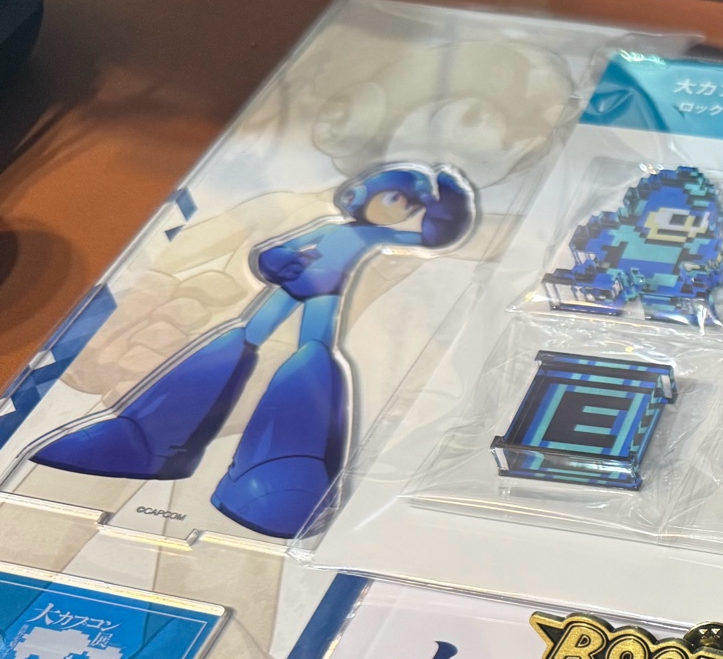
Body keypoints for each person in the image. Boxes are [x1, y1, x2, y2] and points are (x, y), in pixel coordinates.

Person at [32, 164, 474, 538]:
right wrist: (274, 262)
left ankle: (282, 463)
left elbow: (431, 239)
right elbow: (275, 252)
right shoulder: (328, 228)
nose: (404, 210)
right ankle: (147, 438)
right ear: (360, 196)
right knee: (236, 342)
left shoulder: (375, 237)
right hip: (288, 287)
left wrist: (449, 206)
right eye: (397, 199)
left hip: (323, 298)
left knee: (312, 358)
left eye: (411, 206)